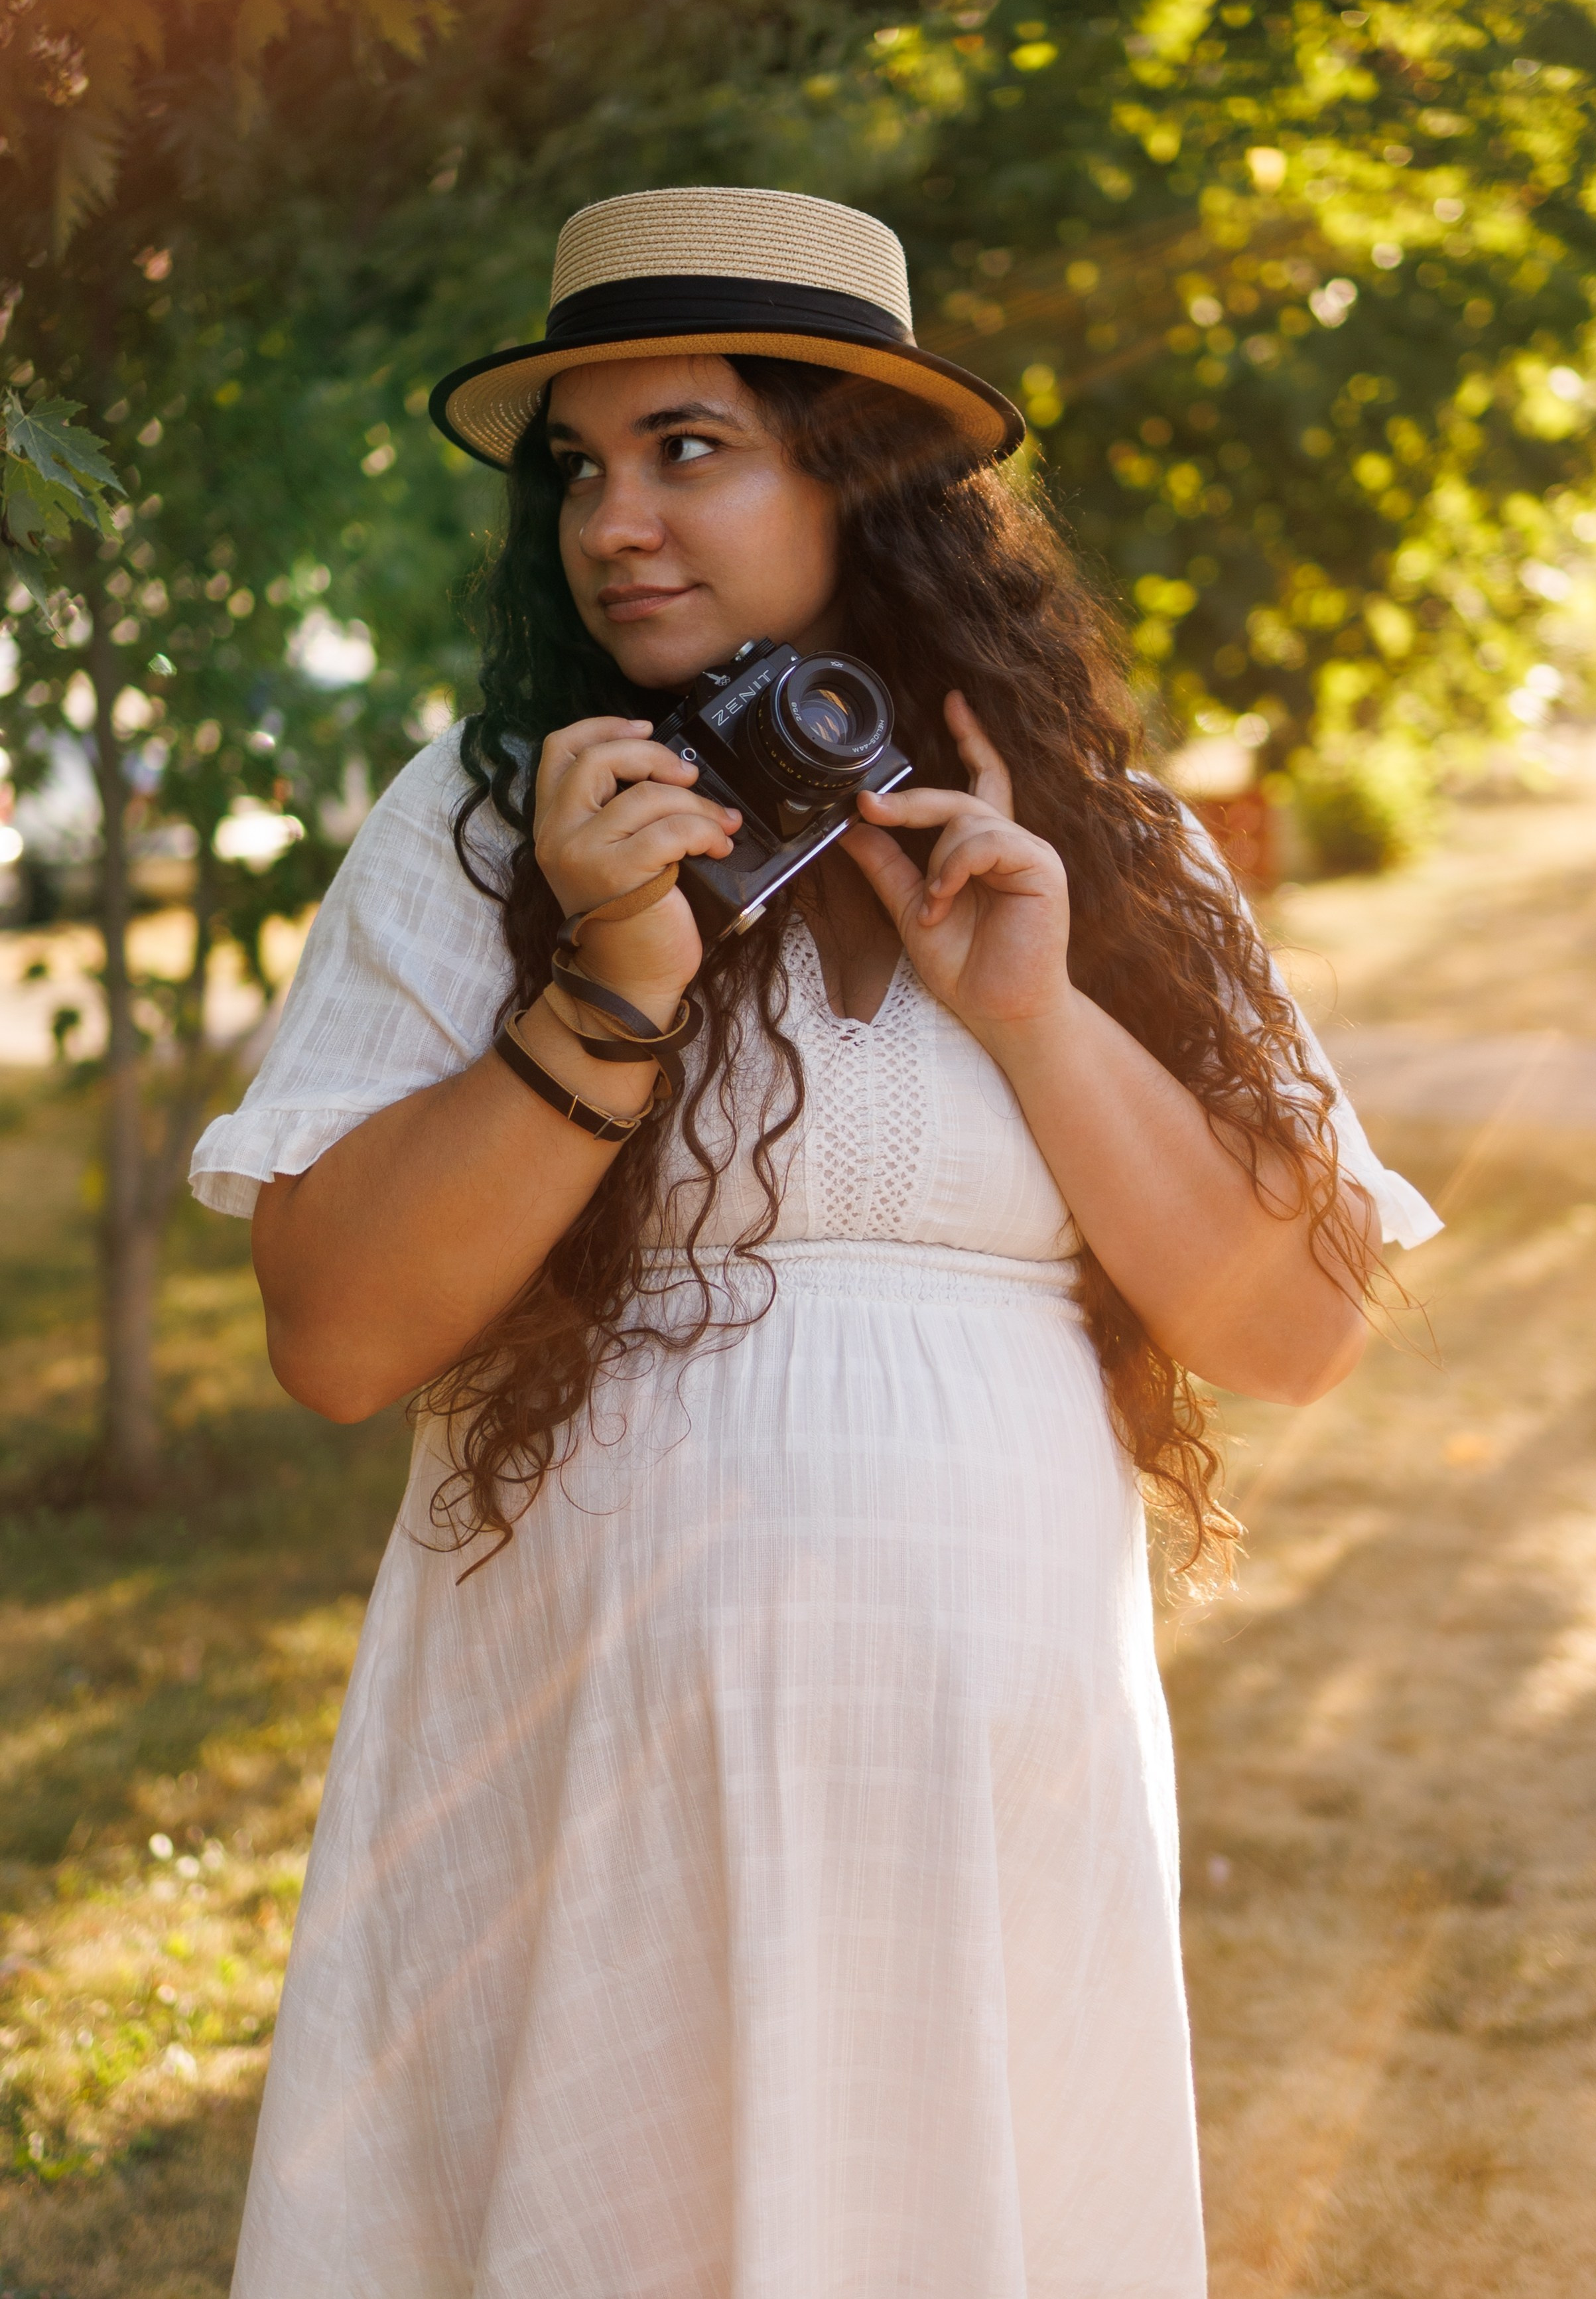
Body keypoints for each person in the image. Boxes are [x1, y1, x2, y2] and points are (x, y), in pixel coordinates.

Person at [192, 186, 1439, 2299]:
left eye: (691, 447)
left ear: (860, 473)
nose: (613, 522)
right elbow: (336, 1333)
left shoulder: (1105, 844)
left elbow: (1299, 1327)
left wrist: (1033, 1009)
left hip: (985, 1791)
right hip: (580, 1781)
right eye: (582, 468)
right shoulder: (491, 819)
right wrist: (609, 974)